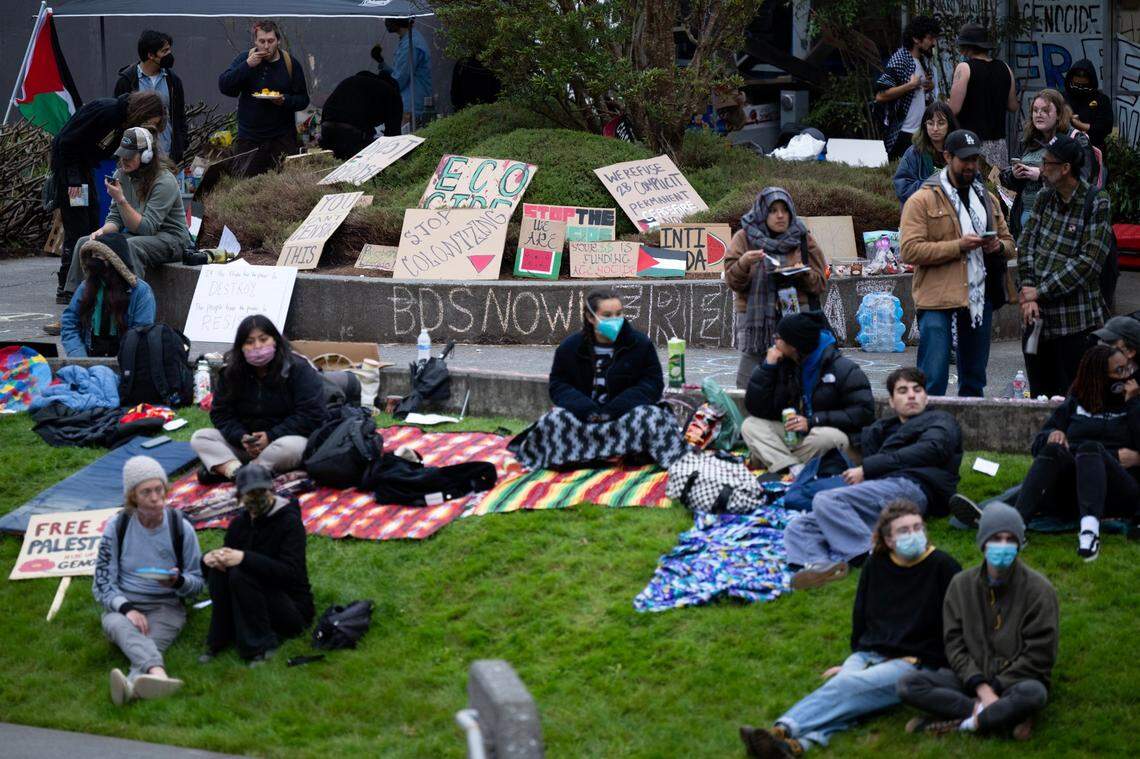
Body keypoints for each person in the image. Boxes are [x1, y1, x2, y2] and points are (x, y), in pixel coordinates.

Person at [739, 500, 961, 757]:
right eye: (904, 531)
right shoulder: (876, 564)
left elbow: (957, 626)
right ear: (888, 540)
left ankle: (782, 729)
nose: (914, 535)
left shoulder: (945, 567)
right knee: (852, 695)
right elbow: (862, 616)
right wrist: (855, 656)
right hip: (870, 653)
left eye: (917, 528)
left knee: (847, 685)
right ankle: (794, 747)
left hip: (914, 661)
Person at [785, 367, 962, 590]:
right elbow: (856, 435)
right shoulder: (885, 428)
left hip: (914, 489)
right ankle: (819, 567)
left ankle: (874, 556)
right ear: (891, 401)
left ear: (926, 397)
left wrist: (867, 469)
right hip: (880, 492)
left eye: (917, 390)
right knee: (800, 525)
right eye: (903, 391)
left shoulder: (940, 421)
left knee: (826, 500)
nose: (911, 395)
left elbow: (932, 449)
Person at [897, 503, 1058, 740]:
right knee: (908, 684)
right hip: (969, 678)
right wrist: (981, 687)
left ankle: (964, 723)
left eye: (1010, 539)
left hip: (1016, 681)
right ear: (983, 542)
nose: (1003, 546)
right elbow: (954, 644)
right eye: (996, 538)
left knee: (1034, 693)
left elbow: (1040, 655)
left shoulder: (1040, 590)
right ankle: (997, 715)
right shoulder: (960, 585)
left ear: (1019, 544)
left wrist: (998, 685)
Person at [507, 290, 686, 471]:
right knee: (554, 419)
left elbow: (652, 383)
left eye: (618, 314)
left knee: (652, 417)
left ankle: (593, 456)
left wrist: (617, 408)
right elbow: (559, 385)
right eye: (607, 315)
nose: (615, 320)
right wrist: (586, 409)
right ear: (590, 318)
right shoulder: (570, 347)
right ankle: (601, 456)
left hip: (624, 419)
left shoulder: (640, 344)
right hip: (584, 421)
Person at [899, 129, 1016, 397]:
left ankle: (969, 436)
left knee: (974, 381)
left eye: (975, 158)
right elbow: (909, 250)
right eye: (965, 159)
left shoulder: (987, 199)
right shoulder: (923, 198)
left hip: (977, 298)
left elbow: (1009, 244)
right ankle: (927, 432)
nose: (971, 165)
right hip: (936, 299)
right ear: (947, 156)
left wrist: (998, 246)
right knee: (933, 379)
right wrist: (958, 246)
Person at [1010, 345, 1140, 560]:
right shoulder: (1077, 402)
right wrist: (1053, 434)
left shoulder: (1133, 402)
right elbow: (1038, 445)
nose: (1126, 376)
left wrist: (1134, 403)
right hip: (1074, 487)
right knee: (1055, 449)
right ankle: (1016, 526)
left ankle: (1090, 532)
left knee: (1090, 448)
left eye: (1127, 368)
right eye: (1119, 371)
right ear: (1099, 377)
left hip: (1118, 491)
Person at [92, 455, 203, 705]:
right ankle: (158, 674)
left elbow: (197, 583)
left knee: (146, 643)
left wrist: (177, 583)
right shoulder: (118, 526)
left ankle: (131, 686)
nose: (155, 498)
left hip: (166, 607)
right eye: (146, 492)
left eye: (159, 489)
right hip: (124, 606)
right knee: (118, 625)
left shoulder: (180, 527)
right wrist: (127, 609)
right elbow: (101, 584)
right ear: (132, 497)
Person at [1016, 135, 1111, 398]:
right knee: (1039, 396)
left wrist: (1040, 291)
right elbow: (1025, 245)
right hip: (1036, 319)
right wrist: (1028, 289)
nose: (1042, 168)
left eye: (1047, 163)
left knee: (1075, 397)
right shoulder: (1046, 197)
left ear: (1065, 168)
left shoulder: (1095, 200)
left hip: (1075, 322)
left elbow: (1089, 263)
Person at [49, 90, 165, 303]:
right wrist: (73, 180)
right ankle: (67, 287)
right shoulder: (108, 112)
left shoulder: (121, 122)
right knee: (78, 227)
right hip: (71, 171)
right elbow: (67, 143)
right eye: (149, 121)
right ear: (142, 112)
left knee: (92, 221)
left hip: (83, 169)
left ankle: (87, 283)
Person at [191, 314, 327, 482]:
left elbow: (312, 414)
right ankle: (241, 473)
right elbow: (221, 414)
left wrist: (270, 436)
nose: (257, 346)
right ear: (241, 347)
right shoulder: (231, 373)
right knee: (201, 437)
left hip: (281, 443)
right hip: (246, 446)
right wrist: (241, 437)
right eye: (249, 342)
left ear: (275, 340)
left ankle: (233, 470)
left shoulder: (298, 368)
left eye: (263, 339)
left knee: (291, 448)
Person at [200, 464, 314, 664]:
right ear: (239, 497)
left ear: (272, 491)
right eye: (250, 494)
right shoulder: (239, 524)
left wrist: (244, 558)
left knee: (241, 573)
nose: (256, 499)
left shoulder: (289, 523)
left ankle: (259, 645)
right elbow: (228, 559)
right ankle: (219, 638)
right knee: (220, 571)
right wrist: (209, 559)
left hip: (291, 607)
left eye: (261, 492)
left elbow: (291, 573)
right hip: (253, 599)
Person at [61, 126, 191, 294]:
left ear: (146, 156)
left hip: (171, 238)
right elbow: (115, 219)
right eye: (122, 154)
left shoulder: (164, 181)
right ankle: (77, 301)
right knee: (85, 242)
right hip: (139, 235)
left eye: (129, 156)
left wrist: (121, 199)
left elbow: (147, 228)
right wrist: (101, 232)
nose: (124, 160)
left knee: (130, 245)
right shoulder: (121, 175)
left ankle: (131, 302)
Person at [741, 311, 874, 474]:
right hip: (798, 436)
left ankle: (776, 459)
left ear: (794, 344)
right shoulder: (784, 363)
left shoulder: (843, 368)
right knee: (751, 425)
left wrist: (813, 421)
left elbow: (864, 412)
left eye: (778, 337)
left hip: (833, 439)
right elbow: (756, 408)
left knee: (828, 437)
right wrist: (767, 368)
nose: (774, 341)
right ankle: (792, 468)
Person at [725, 187, 828, 389]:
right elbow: (732, 281)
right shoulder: (744, 237)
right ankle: (748, 414)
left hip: (795, 310)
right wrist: (744, 262)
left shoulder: (801, 237)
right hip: (755, 316)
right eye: (773, 210)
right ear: (762, 212)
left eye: (785, 210)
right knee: (751, 373)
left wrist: (802, 272)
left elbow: (819, 284)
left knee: (797, 365)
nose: (780, 216)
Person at [218, 19, 309, 176]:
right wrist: (247, 65)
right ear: (255, 41)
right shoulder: (245, 59)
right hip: (249, 138)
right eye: (262, 41)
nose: (266, 46)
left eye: (270, 41)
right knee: (247, 187)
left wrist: (285, 100)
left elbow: (303, 99)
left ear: (278, 41)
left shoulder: (290, 63)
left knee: (283, 186)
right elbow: (225, 86)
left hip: (282, 138)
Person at [1000, 89, 1093, 238]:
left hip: (1059, 218)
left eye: (1045, 110)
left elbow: (1084, 179)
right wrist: (1015, 174)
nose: (1039, 114)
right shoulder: (1028, 140)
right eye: (1035, 110)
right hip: (1025, 216)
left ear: (1058, 114)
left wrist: (1043, 175)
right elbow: (1005, 177)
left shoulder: (1076, 139)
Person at [60, 234, 155, 358]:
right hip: (89, 359)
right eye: (92, 255)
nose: (93, 261)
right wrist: (79, 357)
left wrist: (123, 362)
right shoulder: (86, 287)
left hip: (124, 363)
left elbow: (141, 333)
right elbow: (69, 323)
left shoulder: (141, 292)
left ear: (115, 262)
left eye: (98, 256)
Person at [948, 22, 1018, 170]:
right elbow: (1013, 106)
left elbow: (953, 109)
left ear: (966, 47)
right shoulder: (1005, 67)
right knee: (996, 188)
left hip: (970, 143)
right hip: (999, 144)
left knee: (971, 187)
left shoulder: (964, 68)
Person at [318, 44, 404, 159]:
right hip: (351, 130)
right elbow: (392, 139)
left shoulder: (354, 82)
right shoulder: (393, 95)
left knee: (333, 165)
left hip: (327, 126)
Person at [874, 15, 940, 161]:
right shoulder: (900, 59)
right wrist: (910, 86)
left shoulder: (922, 60)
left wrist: (927, 88)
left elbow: (916, 94)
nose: (933, 43)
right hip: (902, 133)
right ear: (916, 39)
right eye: (930, 38)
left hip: (919, 131)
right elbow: (880, 95)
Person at [114, 30, 186, 162]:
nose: (169, 54)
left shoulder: (173, 81)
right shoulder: (127, 81)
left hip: (167, 155)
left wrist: (180, 147)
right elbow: (118, 120)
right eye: (164, 51)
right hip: (137, 157)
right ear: (151, 55)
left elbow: (180, 117)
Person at [893, 101, 959, 206]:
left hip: (953, 212)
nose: (935, 128)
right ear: (925, 125)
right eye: (930, 123)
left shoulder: (959, 152)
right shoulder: (914, 153)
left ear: (949, 125)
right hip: (922, 212)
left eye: (941, 123)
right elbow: (902, 188)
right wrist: (935, 184)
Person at [386, 17, 432, 127]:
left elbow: (400, 78)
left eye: (388, 18)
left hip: (411, 107)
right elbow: (400, 71)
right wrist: (382, 63)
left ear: (397, 19)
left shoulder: (411, 43)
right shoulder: (408, 39)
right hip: (410, 104)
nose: (385, 22)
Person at [1064, 58, 1113, 151]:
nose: (1079, 88)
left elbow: (1105, 128)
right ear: (1070, 80)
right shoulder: (1062, 98)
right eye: (1076, 84)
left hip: (1093, 148)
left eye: (1083, 86)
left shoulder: (1101, 100)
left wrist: (1078, 124)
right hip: (1065, 148)